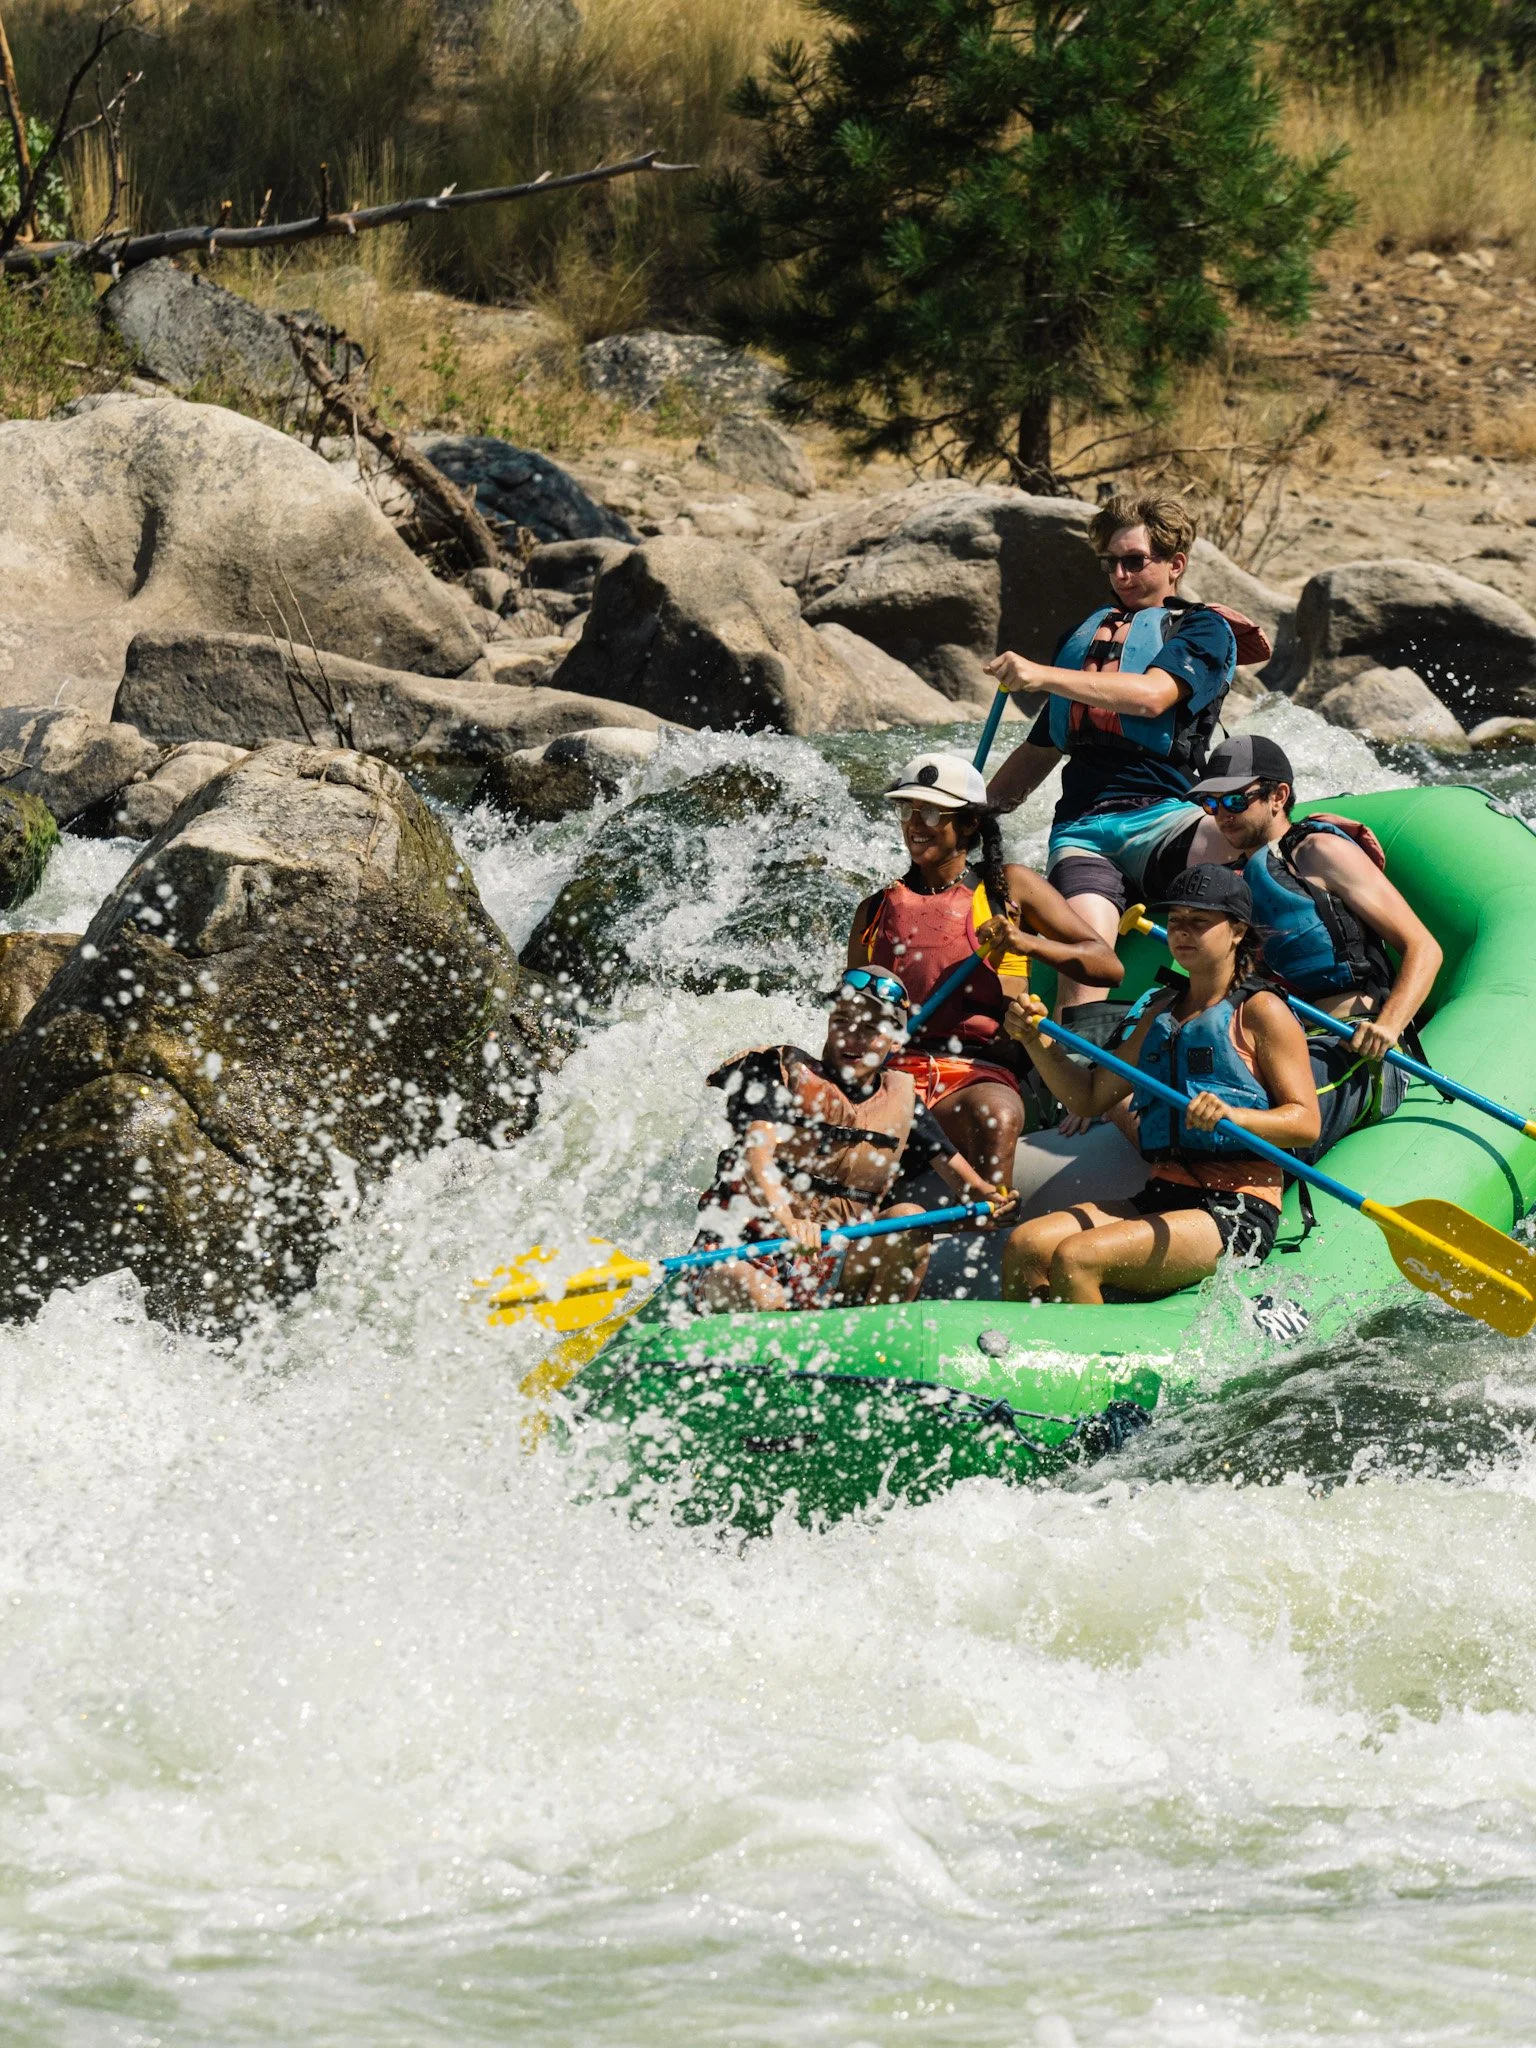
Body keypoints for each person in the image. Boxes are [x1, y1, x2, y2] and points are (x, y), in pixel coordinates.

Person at [980, 493, 1271, 1015]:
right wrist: (969, 816)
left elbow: (1154, 695)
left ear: (1174, 564)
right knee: (1083, 968)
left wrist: (1041, 676)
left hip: (1169, 819)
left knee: (1254, 858)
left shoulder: (1201, 629)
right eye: (1110, 562)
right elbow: (1039, 750)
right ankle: (1081, 1078)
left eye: (1134, 560)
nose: (1120, 574)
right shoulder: (1085, 640)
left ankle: (1273, 1009)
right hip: (1083, 833)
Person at [999, 866, 1319, 1305]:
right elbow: (1090, 1098)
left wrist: (1232, 1116)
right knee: (1026, 1246)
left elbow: (1305, 1123)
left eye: (1199, 922)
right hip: (1163, 1193)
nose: (1182, 932)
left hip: (1236, 1208)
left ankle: (1093, 1369)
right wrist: (1037, 1042)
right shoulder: (1161, 1012)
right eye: (1176, 921)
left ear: (1237, 931)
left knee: (1078, 1257)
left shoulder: (1262, 1011)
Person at [847, 751, 1123, 1186]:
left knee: (995, 1114)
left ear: (971, 824)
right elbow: (852, 1014)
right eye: (908, 810)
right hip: (896, 1074)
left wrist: (1025, 941)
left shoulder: (1007, 888)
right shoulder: (875, 911)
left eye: (935, 812)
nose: (916, 824)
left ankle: (989, 1213)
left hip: (981, 1072)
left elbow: (1106, 966)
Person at [1162, 733, 1443, 1161]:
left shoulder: (1318, 852)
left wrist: (1387, 1026)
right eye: (1211, 804)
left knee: (1240, 1129)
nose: (1222, 815)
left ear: (1278, 795)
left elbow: (1423, 946)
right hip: (1278, 1043)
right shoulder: (1234, 881)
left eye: (1235, 801)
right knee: (1170, 1111)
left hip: (1350, 1043)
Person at [690, 966, 1014, 1315]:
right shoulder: (777, 1072)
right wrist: (788, 1221)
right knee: (769, 1303)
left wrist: (998, 1203)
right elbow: (758, 1156)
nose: (852, 1036)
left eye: (871, 1028)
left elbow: (972, 1187)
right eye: (843, 1019)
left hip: (826, 1260)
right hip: (741, 1250)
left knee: (909, 1219)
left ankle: (875, 1340)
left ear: (895, 1041)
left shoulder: (903, 1104)